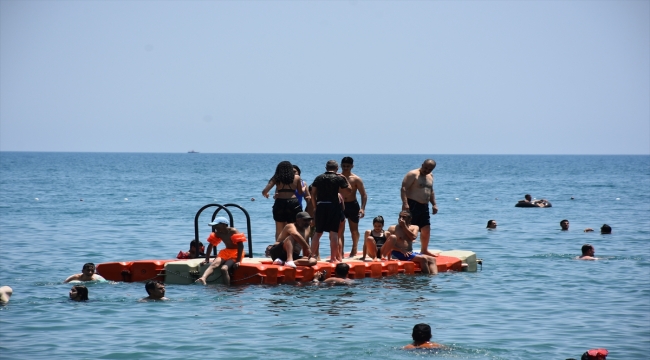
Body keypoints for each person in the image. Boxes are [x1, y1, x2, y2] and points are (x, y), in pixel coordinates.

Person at [310, 160, 351, 263]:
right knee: (334, 234)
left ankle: (311, 256)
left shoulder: (319, 178)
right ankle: (333, 258)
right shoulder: (338, 178)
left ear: (326, 168)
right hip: (333, 206)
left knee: (318, 233)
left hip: (321, 205)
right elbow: (349, 191)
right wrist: (344, 178)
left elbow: (313, 194)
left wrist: (315, 207)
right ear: (337, 168)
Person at [401, 159, 438, 256]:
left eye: (429, 169)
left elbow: (431, 191)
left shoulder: (430, 176)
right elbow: (404, 188)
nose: (426, 170)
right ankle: (406, 250)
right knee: (409, 229)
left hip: (424, 206)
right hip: (412, 204)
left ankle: (424, 250)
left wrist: (434, 204)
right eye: (425, 168)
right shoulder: (413, 174)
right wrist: (405, 204)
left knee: (426, 228)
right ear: (422, 165)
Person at [382, 211, 438, 275]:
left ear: (410, 219)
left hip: (409, 253)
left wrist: (404, 226)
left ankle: (434, 278)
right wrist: (401, 250)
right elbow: (387, 244)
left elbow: (413, 237)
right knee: (423, 259)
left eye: (404, 217)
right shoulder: (392, 228)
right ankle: (425, 279)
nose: (401, 219)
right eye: (400, 217)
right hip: (397, 253)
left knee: (432, 259)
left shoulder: (415, 227)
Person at [196, 217, 247, 286]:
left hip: (236, 252)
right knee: (214, 264)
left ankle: (227, 287)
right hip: (225, 252)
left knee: (224, 269)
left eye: (216, 225)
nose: (215, 227)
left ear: (223, 225)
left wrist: (238, 261)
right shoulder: (218, 233)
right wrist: (206, 259)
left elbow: (240, 246)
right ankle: (203, 278)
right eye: (214, 226)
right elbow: (210, 246)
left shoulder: (233, 231)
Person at [262, 161, 305, 240]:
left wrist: (267, 194)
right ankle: (290, 250)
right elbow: (300, 192)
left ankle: (278, 249)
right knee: (292, 229)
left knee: (279, 231)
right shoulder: (297, 178)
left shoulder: (276, 178)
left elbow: (264, 191)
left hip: (280, 203)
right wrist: (304, 188)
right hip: (293, 203)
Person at [338, 157, 368, 257]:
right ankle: (340, 251)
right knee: (339, 230)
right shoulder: (337, 177)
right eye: (344, 166)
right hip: (340, 205)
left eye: (348, 166)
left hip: (352, 205)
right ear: (340, 165)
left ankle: (354, 248)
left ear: (352, 166)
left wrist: (363, 208)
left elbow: (363, 194)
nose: (345, 168)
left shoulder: (356, 179)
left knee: (354, 230)